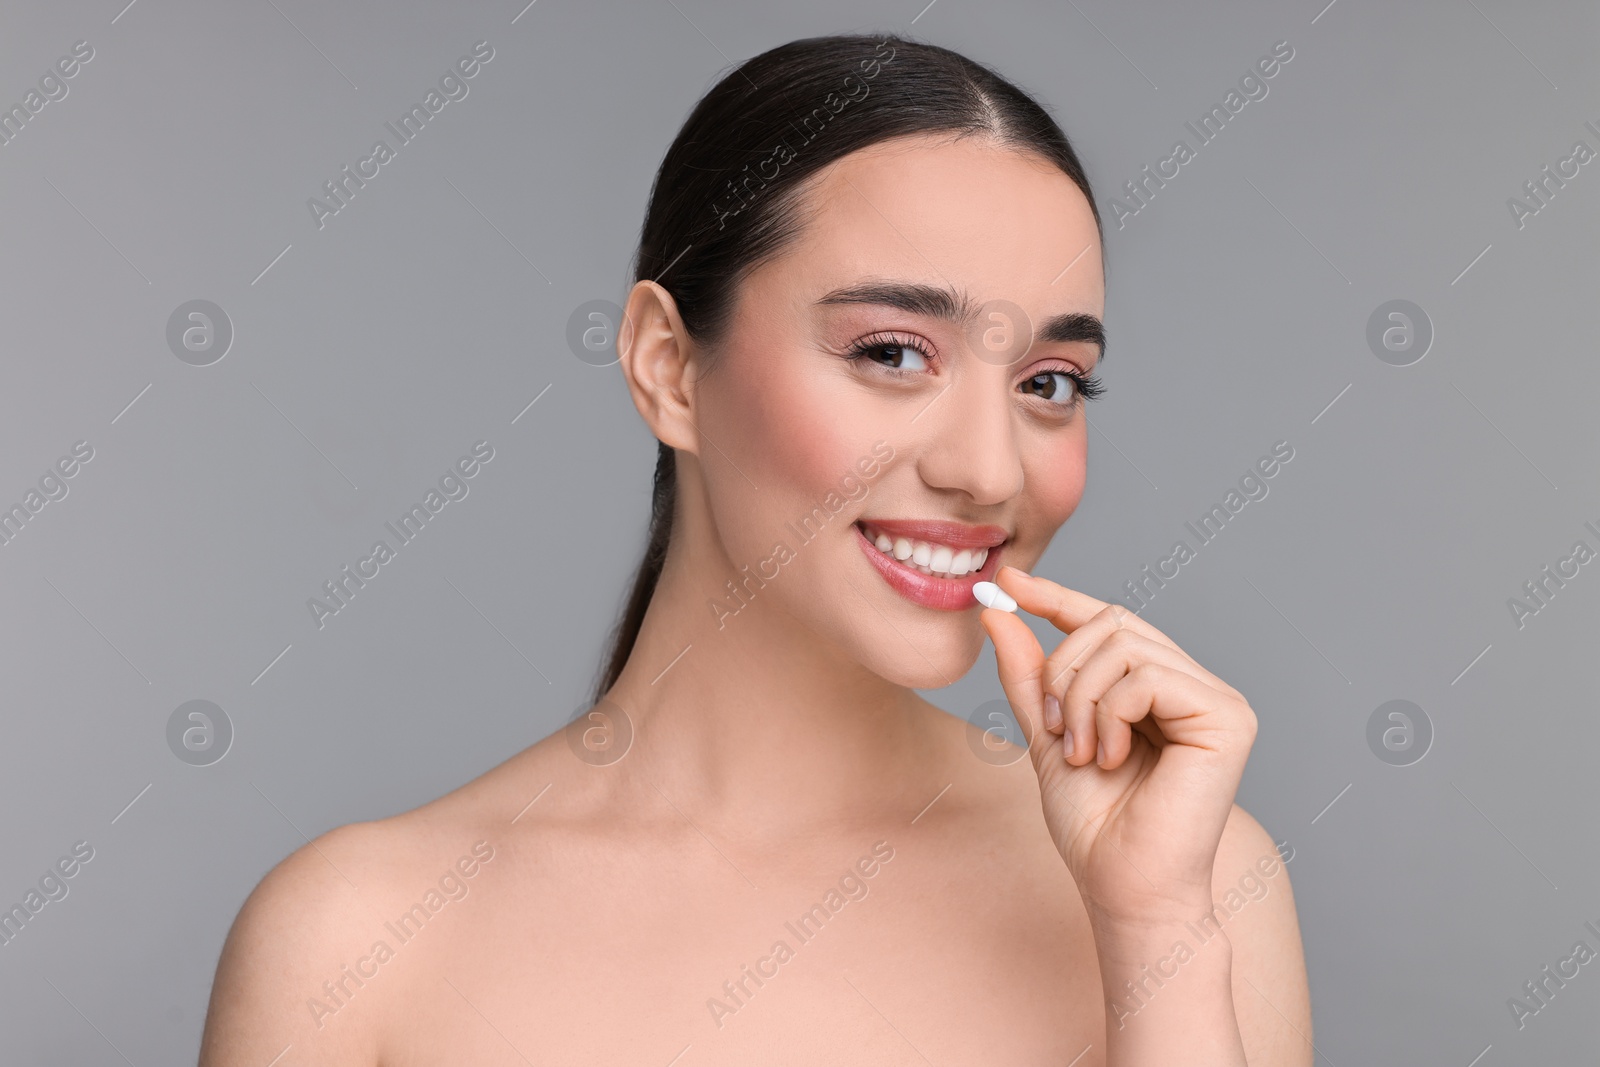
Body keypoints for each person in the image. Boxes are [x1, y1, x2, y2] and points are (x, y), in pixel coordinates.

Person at [200, 32, 1311, 1065]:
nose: (990, 469)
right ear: (668, 367)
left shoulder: (1193, 880)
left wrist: (1153, 932)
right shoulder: (356, 940)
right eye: (890, 351)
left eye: (1048, 383)